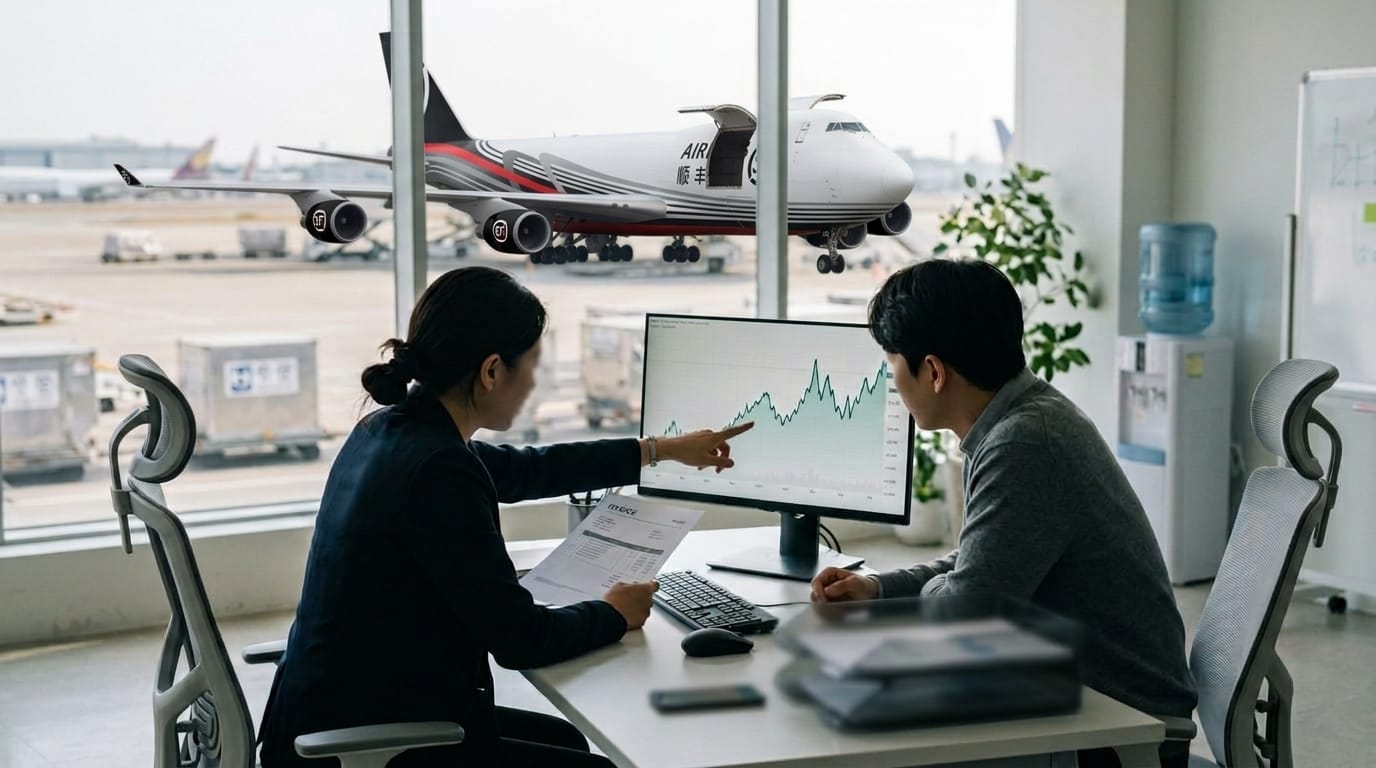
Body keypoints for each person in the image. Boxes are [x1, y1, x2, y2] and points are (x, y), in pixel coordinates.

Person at [258, 266, 752, 768]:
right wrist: (614, 613)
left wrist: (661, 449)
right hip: (363, 744)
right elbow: (522, 641)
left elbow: (527, 471)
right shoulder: (438, 468)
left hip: (336, 712)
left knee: (566, 739)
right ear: (492, 370)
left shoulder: (391, 429)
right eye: (532, 365)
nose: (534, 382)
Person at [809, 259, 1196, 768]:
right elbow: (979, 562)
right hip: (1075, 695)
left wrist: (940, 593)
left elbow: (966, 613)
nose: (893, 384)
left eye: (893, 367)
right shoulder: (1017, 418)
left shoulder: (1024, 444)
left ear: (934, 372)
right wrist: (880, 589)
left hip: (1115, 729)